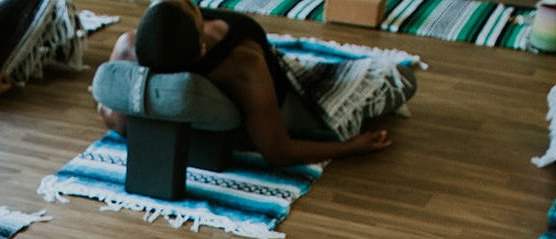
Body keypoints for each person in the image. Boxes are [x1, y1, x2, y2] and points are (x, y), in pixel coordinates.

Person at [98, 0, 418, 166]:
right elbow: (278, 152)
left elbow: (115, 118)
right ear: (199, 48)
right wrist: (349, 148)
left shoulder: (130, 46)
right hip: (280, 96)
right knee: (400, 79)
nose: (198, 6)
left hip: (267, 71)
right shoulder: (243, 65)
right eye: (195, 10)